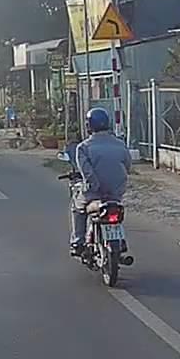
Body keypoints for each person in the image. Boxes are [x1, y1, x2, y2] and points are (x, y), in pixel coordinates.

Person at [69, 107, 132, 257]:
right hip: (116, 192)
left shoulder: (83, 147)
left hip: (95, 194)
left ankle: (78, 241)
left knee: (77, 207)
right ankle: (119, 239)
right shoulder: (120, 144)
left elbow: (87, 173)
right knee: (116, 210)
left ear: (89, 125)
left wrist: (94, 186)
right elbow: (127, 165)